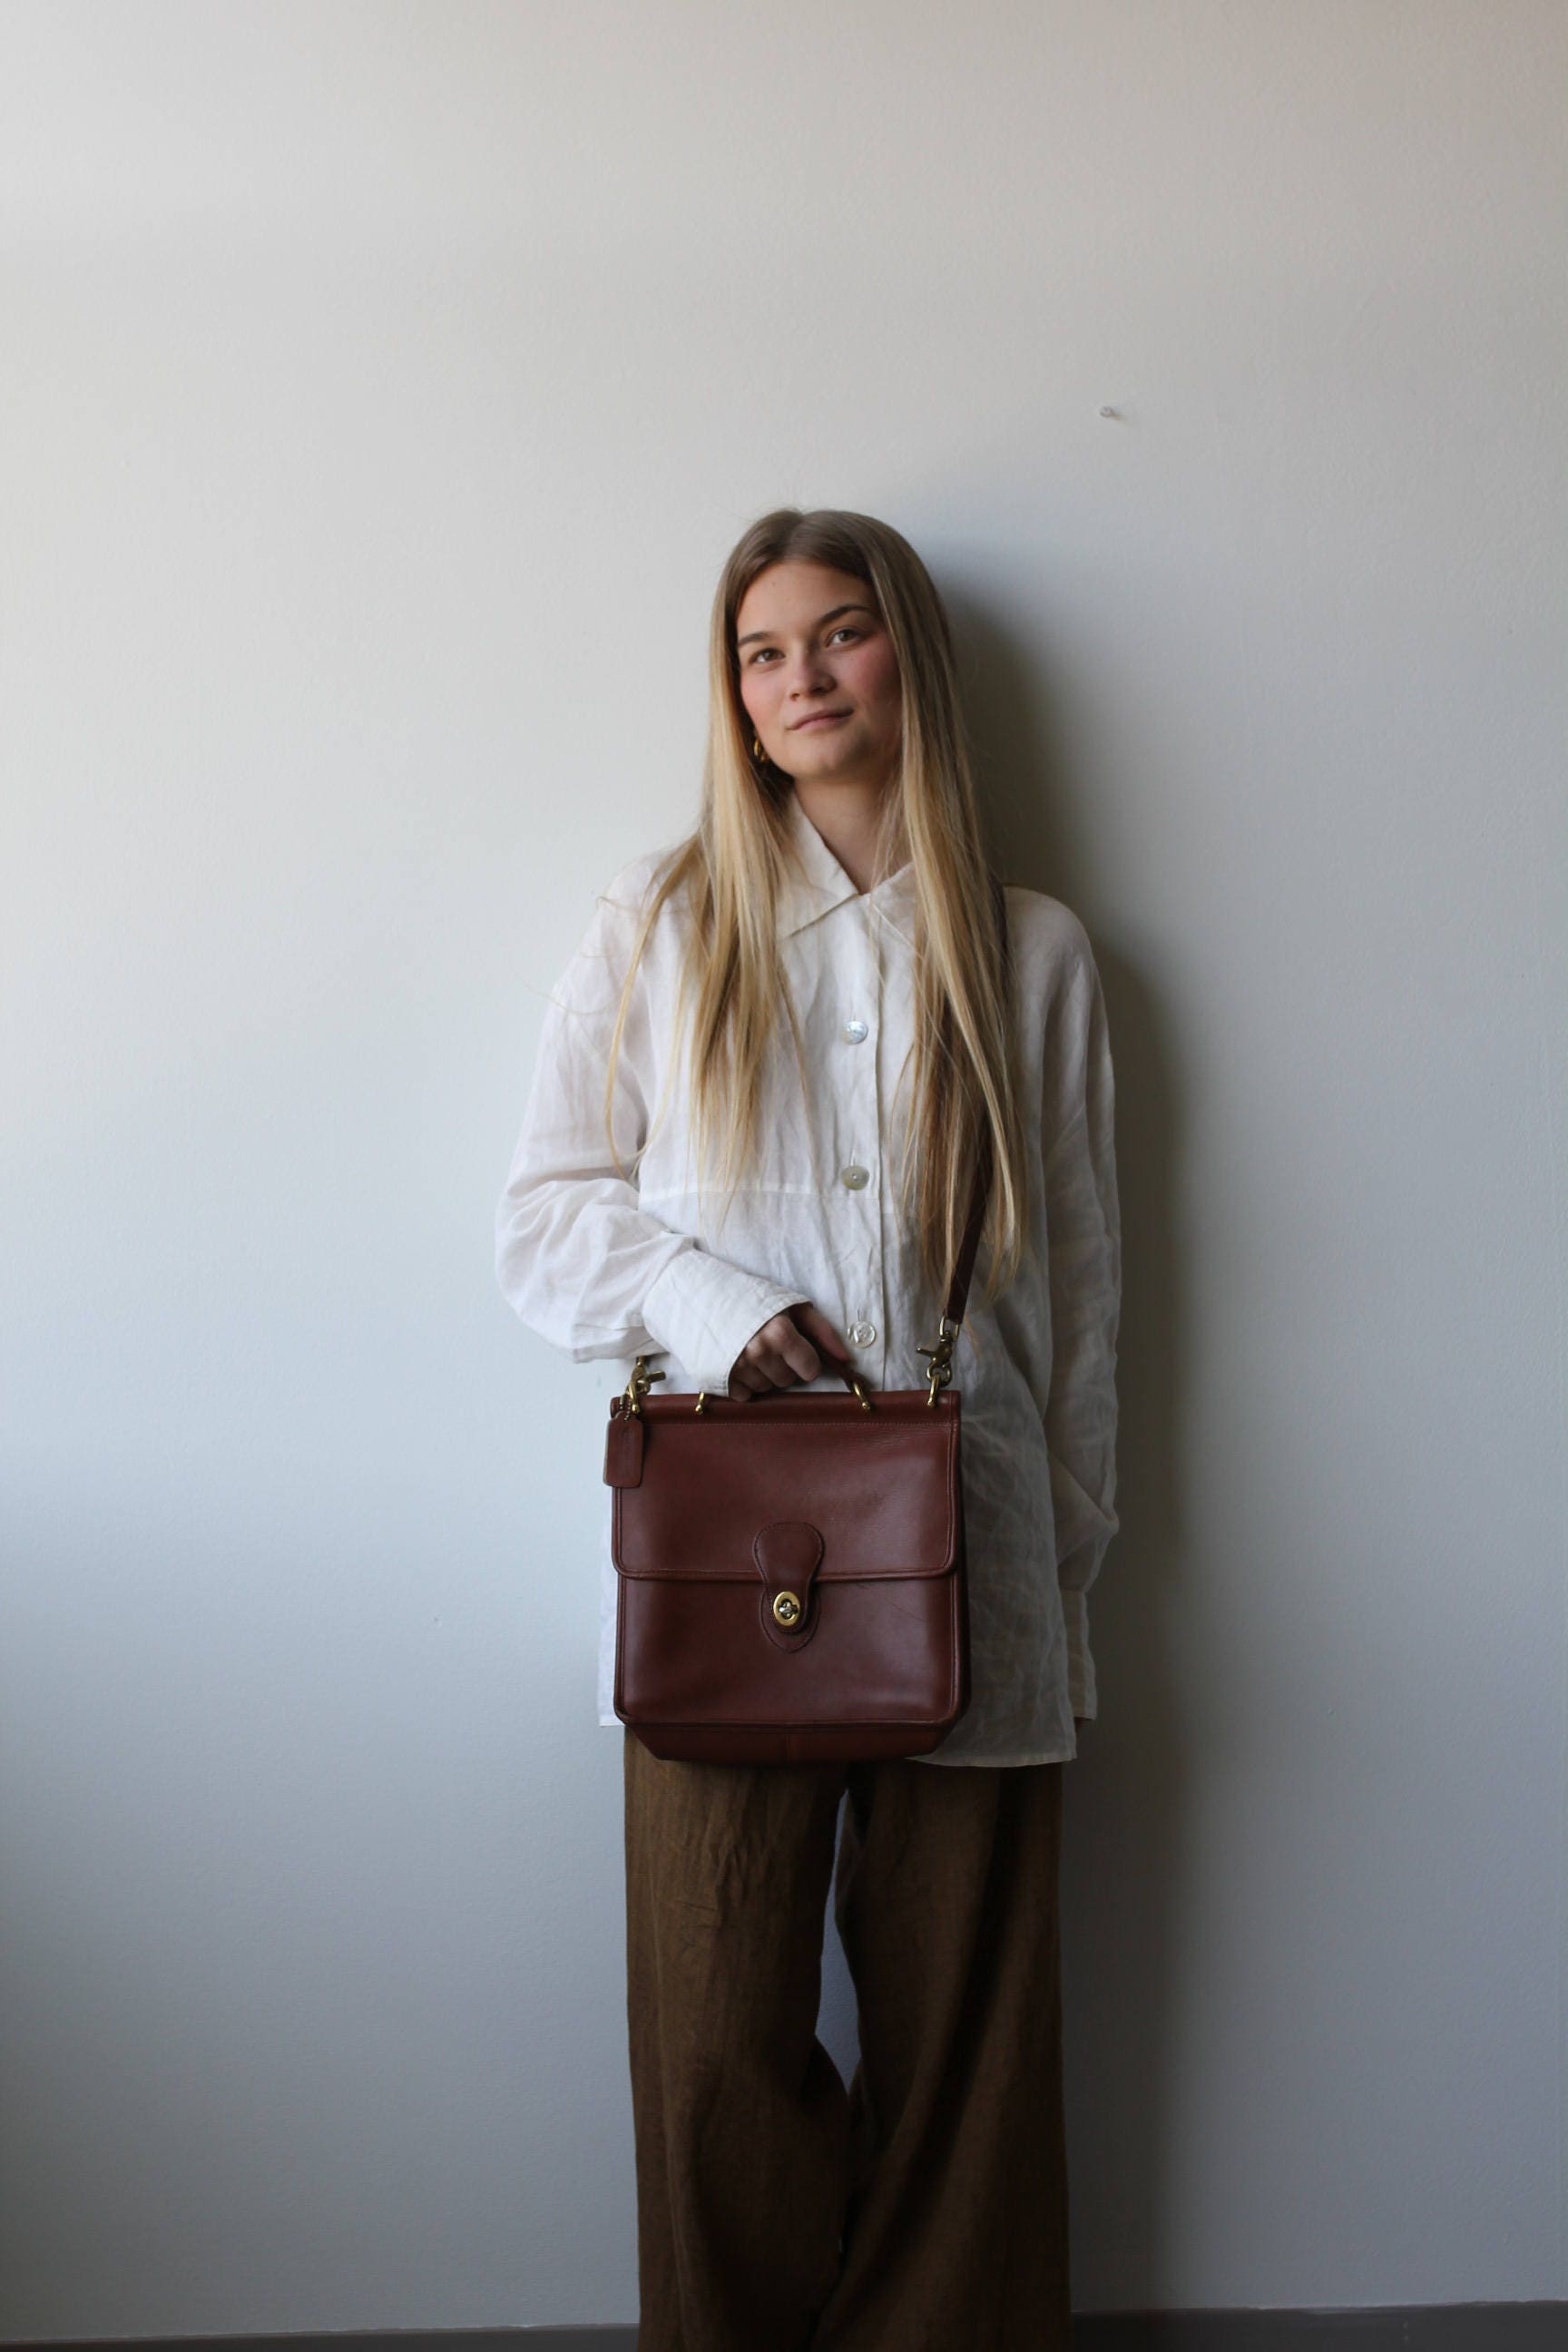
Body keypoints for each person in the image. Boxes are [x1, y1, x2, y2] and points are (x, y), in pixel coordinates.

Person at [494, 506, 1121, 2350]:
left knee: (968, 2066)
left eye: (838, 637)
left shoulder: (1035, 949)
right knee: (710, 2037)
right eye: (763, 654)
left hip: (978, 1546)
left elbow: (1075, 1304)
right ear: (733, 693)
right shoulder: (664, 921)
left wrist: (1063, 1591)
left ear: (906, 658)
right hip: (728, 1554)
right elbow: (543, 1218)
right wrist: (723, 1308)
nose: (800, 681)